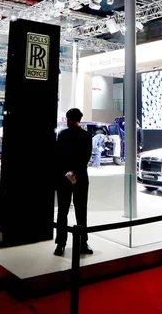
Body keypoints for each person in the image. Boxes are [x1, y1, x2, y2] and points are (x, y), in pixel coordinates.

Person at [54, 108, 93, 257]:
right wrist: (76, 172)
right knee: (81, 211)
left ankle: (60, 244)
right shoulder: (87, 136)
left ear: (68, 119)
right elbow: (86, 157)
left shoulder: (62, 135)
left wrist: (68, 172)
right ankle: (83, 242)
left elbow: (58, 156)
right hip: (81, 177)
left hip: (64, 177)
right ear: (80, 119)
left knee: (62, 211)